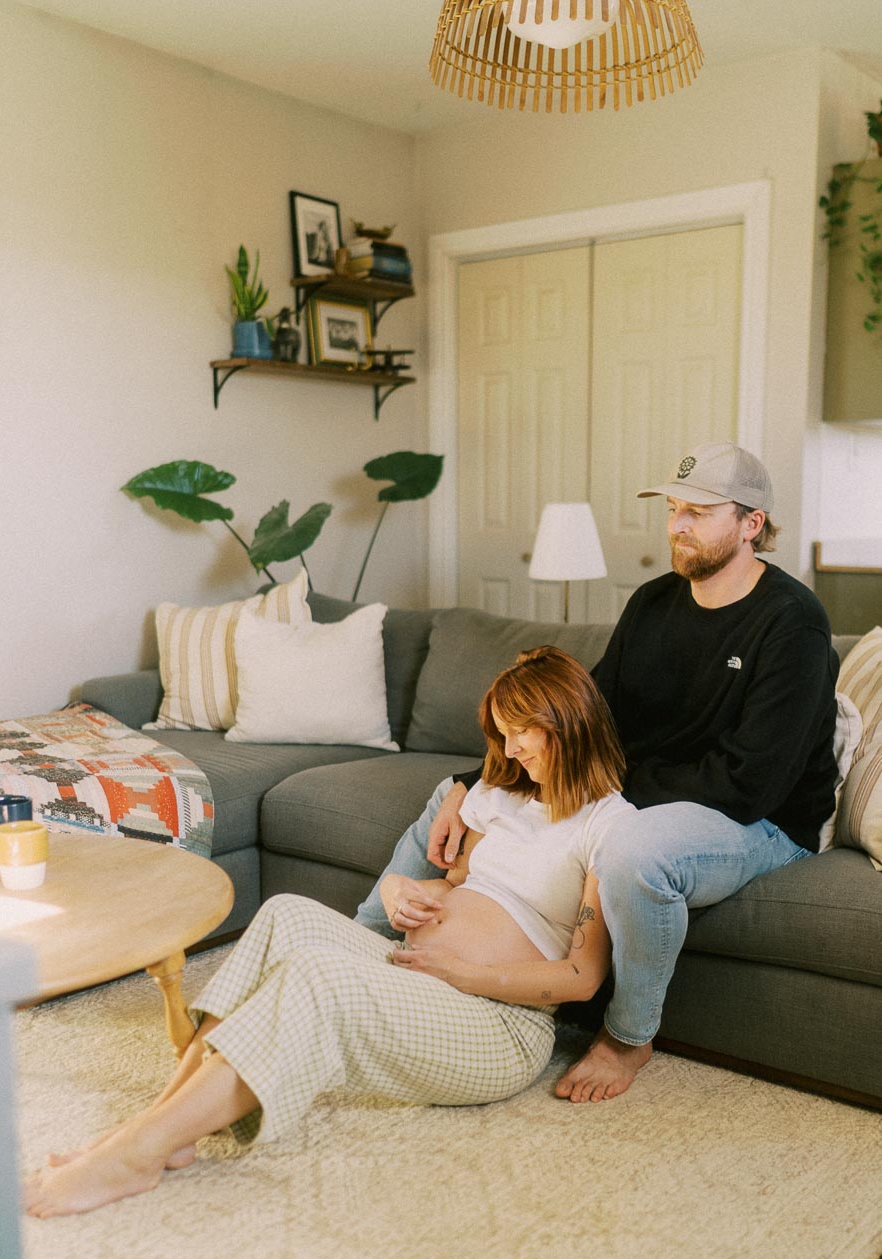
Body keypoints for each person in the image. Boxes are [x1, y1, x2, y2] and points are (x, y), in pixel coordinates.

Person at [25, 647, 633, 1219]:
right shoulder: (501, 796)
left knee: (317, 978)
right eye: (501, 732)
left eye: (522, 731)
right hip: (416, 973)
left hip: (499, 1023)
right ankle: (161, 1126)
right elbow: (458, 885)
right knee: (288, 912)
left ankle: (134, 1153)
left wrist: (462, 972)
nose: (510, 746)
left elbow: (581, 979)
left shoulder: (609, 826)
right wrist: (403, 892)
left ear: (567, 721)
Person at [355, 442, 840, 1104]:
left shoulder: (792, 623)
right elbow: (590, 715)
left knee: (630, 848)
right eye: (673, 509)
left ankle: (628, 1039)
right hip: (652, 790)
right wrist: (478, 779)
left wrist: (600, 795)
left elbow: (748, 783)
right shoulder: (652, 603)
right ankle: (362, 940)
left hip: (760, 821)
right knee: (455, 795)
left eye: (699, 512)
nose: (678, 526)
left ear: (752, 523)